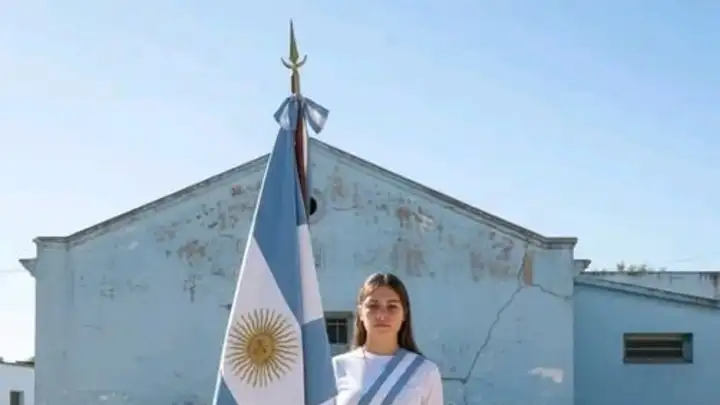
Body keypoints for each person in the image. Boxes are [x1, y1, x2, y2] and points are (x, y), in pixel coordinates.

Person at [332, 273, 444, 405]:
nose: (381, 315)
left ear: (404, 313)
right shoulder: (337, 367)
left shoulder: (425, 371)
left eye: (392, 307)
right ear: (360, 312)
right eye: (373, 306)